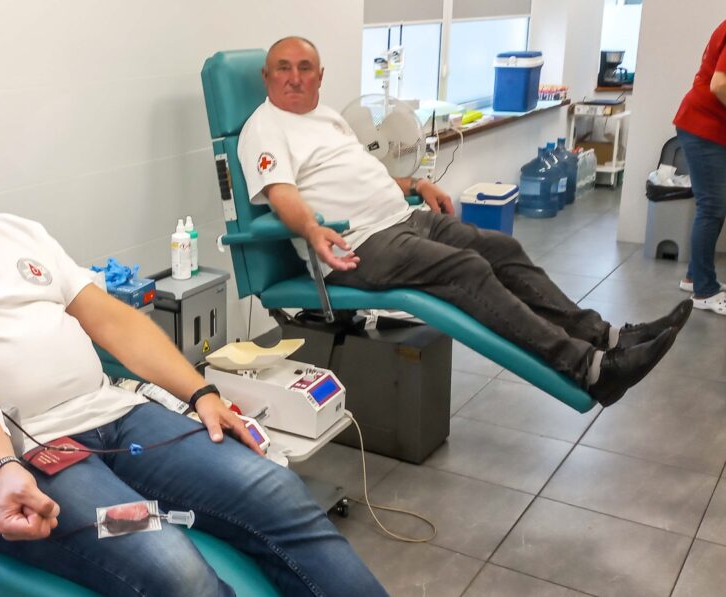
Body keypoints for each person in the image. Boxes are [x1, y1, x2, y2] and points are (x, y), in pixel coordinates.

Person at [0, 84, 387, 597]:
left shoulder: (17, 232)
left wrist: (202, 395)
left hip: (118, 419)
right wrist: (1, 468)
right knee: (174, 567)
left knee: (278, 491)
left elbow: (115, 322)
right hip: (25, 455)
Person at [239, 37, 691, 408]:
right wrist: (311, 228)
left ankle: (606, 335)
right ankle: (590, 369)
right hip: (357, 245)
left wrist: (415, 183)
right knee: (466, 270)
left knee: (502, 249)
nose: (294, 77)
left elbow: (357, 173)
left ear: (320, 76)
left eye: (304, 68)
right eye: (283, 68)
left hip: (403, 217)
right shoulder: (265, 127)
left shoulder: (326, 116)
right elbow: (283, 195)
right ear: (266, 76)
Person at [674, 19, 726, 315]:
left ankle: (694, 277)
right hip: (704, 127)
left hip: (707, 127)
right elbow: (720, 84)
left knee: (714, 206)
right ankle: (705, 291)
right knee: (712, 207)